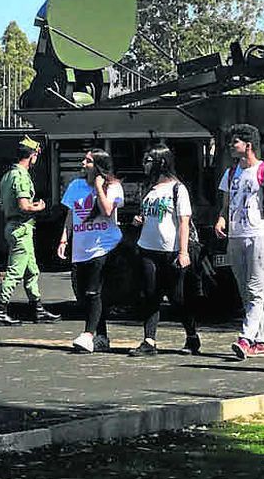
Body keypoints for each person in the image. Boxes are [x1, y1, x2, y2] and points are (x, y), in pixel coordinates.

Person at [216, 123, 264, 360]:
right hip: (236, 235)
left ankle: (245, 338)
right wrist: (221, 220)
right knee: (246, 292)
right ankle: (261, 341)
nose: (231, 147)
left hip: (259, 235)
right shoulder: (231, 173)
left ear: (248, 145)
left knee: (255, 291)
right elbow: (226, 206)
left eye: (235, 142)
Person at [130, 144, 197, 357]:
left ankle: (192, 336)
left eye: (147, 160)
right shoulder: (149, 189)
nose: (144, 165)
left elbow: (183, 222)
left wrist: (183, 252)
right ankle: (149, 341)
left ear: (160, 162)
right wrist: (138, 220)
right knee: (151, 295)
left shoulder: (178, 189)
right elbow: (148, 216)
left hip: (171, 250)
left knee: (177, 297)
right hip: (148, 248)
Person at [57, 148, 124, 354]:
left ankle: (88, 335)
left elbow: (106, 211)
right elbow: (71, 213)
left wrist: (98, 186)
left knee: (93, 292)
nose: (83, 164)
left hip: (103, 247)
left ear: (99, 166)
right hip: (80, 248)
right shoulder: (76, 186)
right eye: (84, 160)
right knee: (84, 295)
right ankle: (101, 336)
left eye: (88, 161)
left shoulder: (113, 187)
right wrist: (64, 238)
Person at [0, 136, 61, 326]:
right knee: (15, 272)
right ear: (32, 155)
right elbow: (24, 206)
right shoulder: (21, 176)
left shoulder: (8, 175)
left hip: (17, 227)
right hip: (21, 227)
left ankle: (38, 309)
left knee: (32, 271)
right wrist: (39, 207)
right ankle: (0, 310)